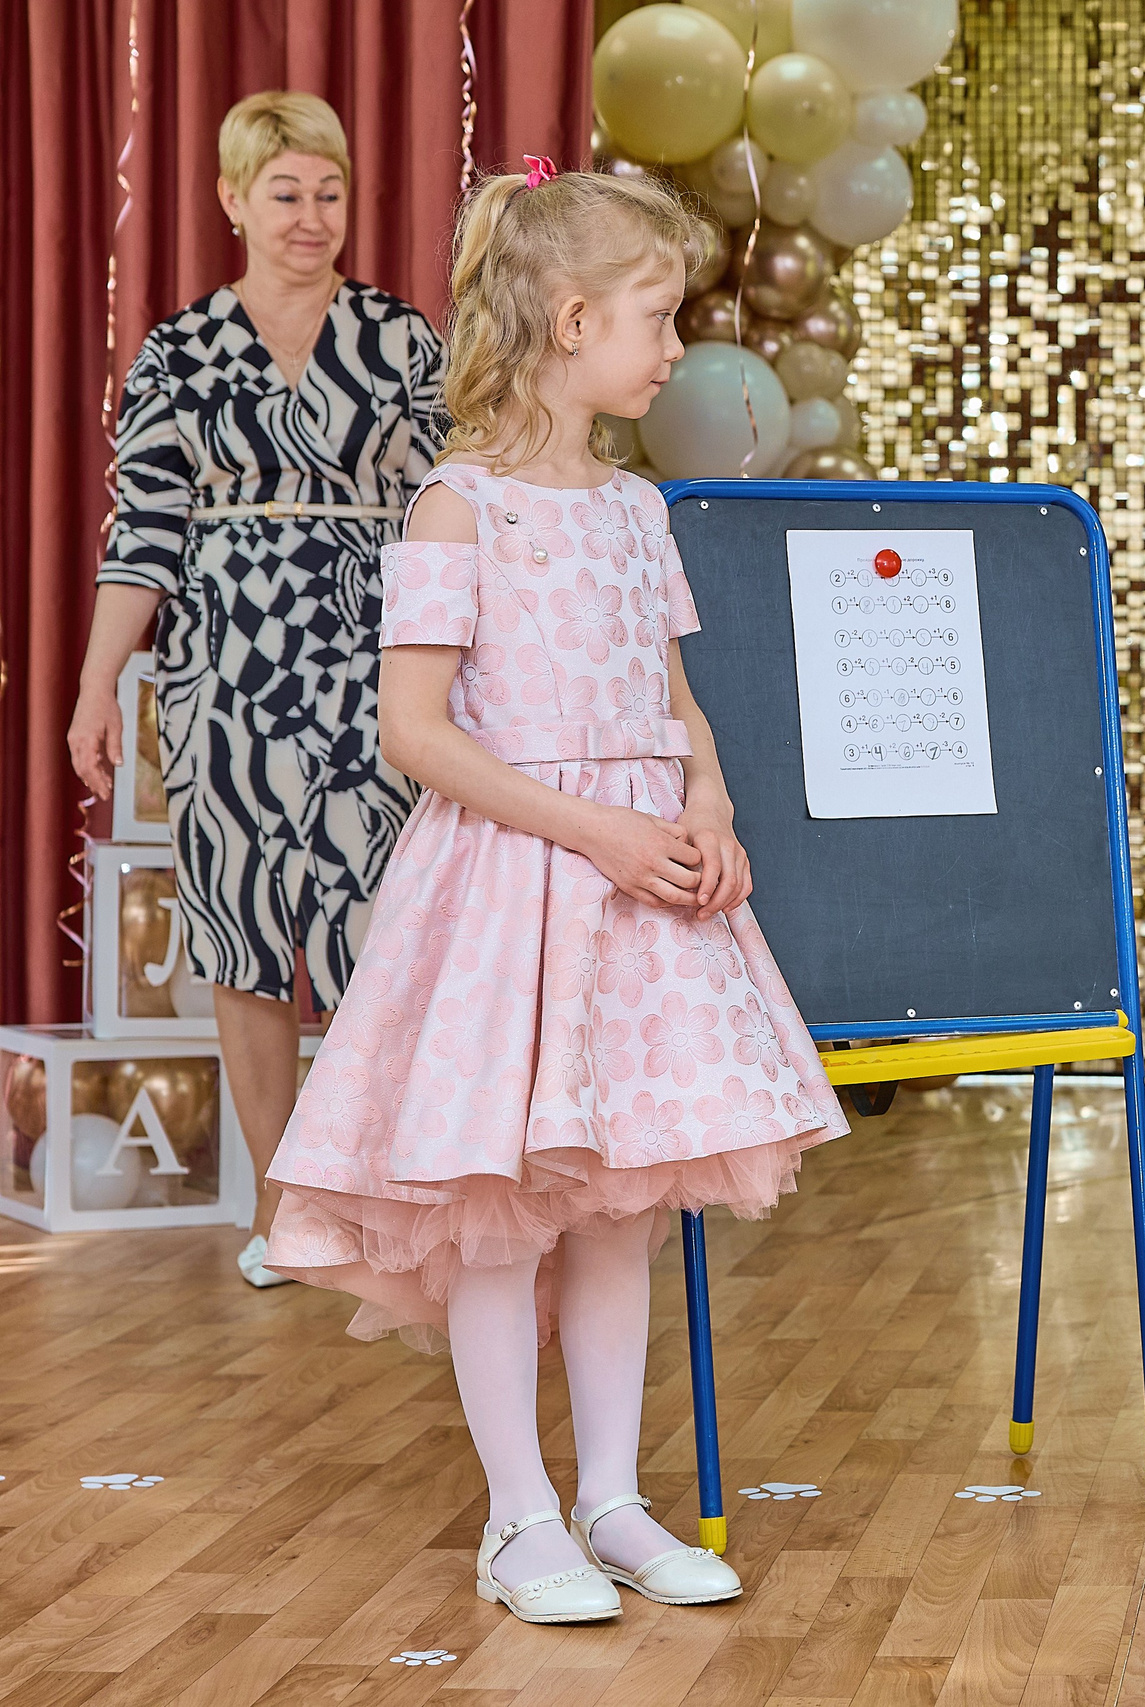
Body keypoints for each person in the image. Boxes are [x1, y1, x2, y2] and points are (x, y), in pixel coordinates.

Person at [261, 162, 850, 1623]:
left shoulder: (638, 511)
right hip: (513, 894)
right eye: (656, 317)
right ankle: (519, 1515)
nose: (673, 347)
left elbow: (676, 700)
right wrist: (596, 824)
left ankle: (612, 1496)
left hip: (644, 899)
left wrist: (705, 802)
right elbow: (418, 732)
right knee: (506, 1210)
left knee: (617, 1210)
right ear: (571, 317)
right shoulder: (461, 511)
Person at [66, 92, 446, 1289]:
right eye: (285, 193)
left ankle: (381, 1194)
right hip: (220, 677)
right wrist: (93, 694)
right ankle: (287, 1209)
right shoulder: (178, 350)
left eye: (328, 193)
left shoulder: (402, 340)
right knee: (242, 940)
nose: (310, 215)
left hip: (374, 665)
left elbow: (458, 514)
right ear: (232, 200)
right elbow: (141, 537)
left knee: (377, 935)